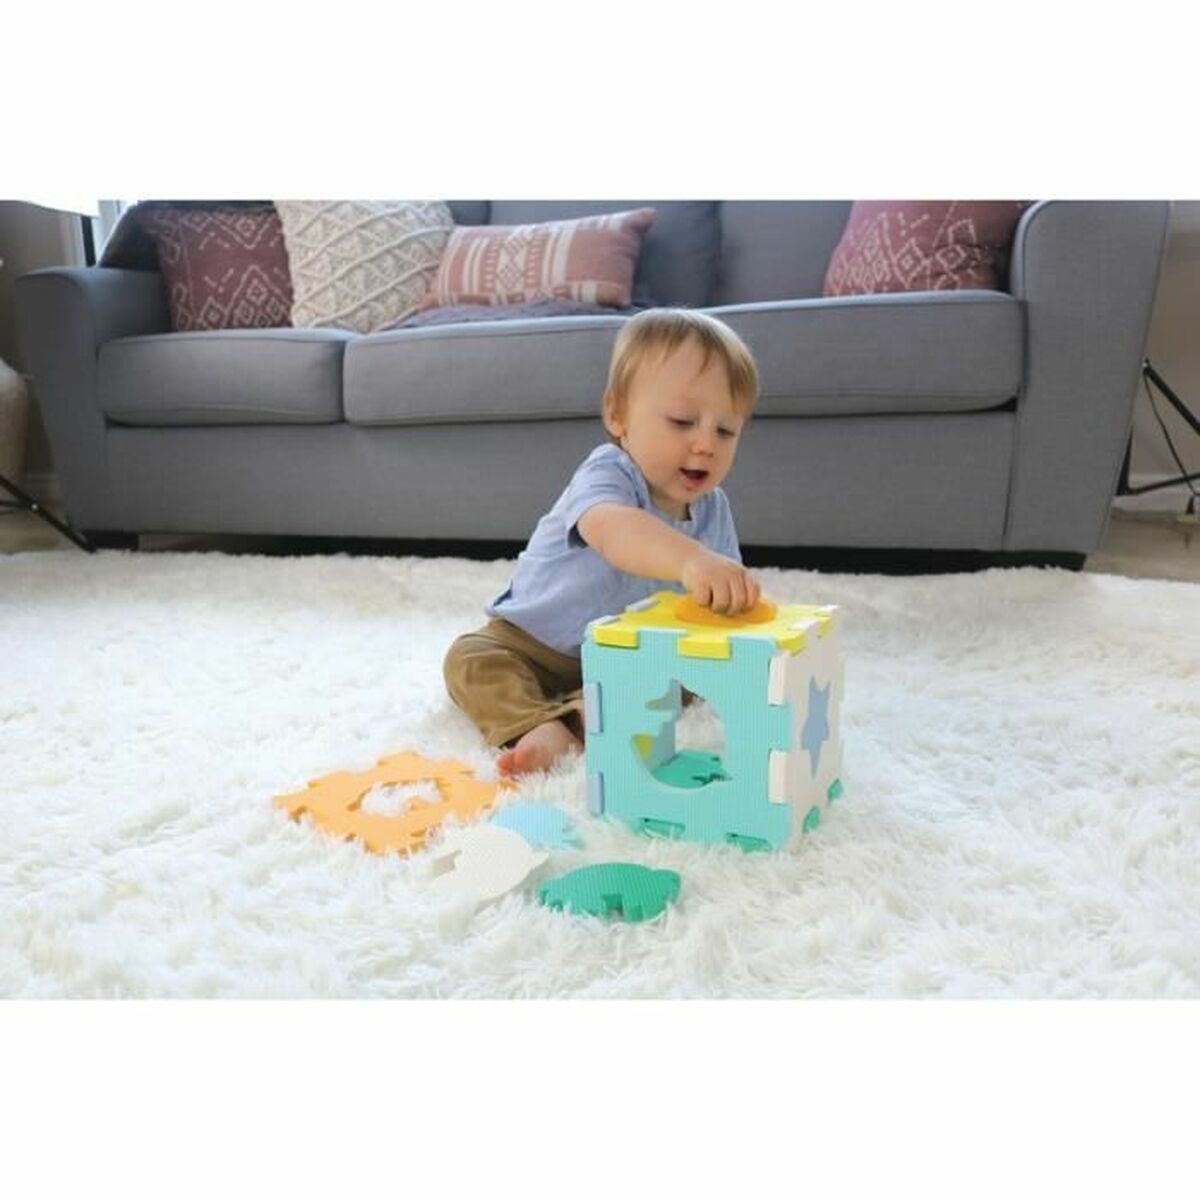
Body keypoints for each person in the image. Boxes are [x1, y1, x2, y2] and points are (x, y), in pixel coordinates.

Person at [443, 307, 762, 777]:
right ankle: (538, 723)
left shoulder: (714, 508)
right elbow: (614, 531)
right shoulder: (609, 473)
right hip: (535, 642)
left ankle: (582, 716)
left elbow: (718, 601)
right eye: (682, 421)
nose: (705, 444)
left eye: (725, 430)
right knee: (470, 659)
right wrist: (692, 561)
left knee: (688, 677)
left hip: (626, 656)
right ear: (617, 414)